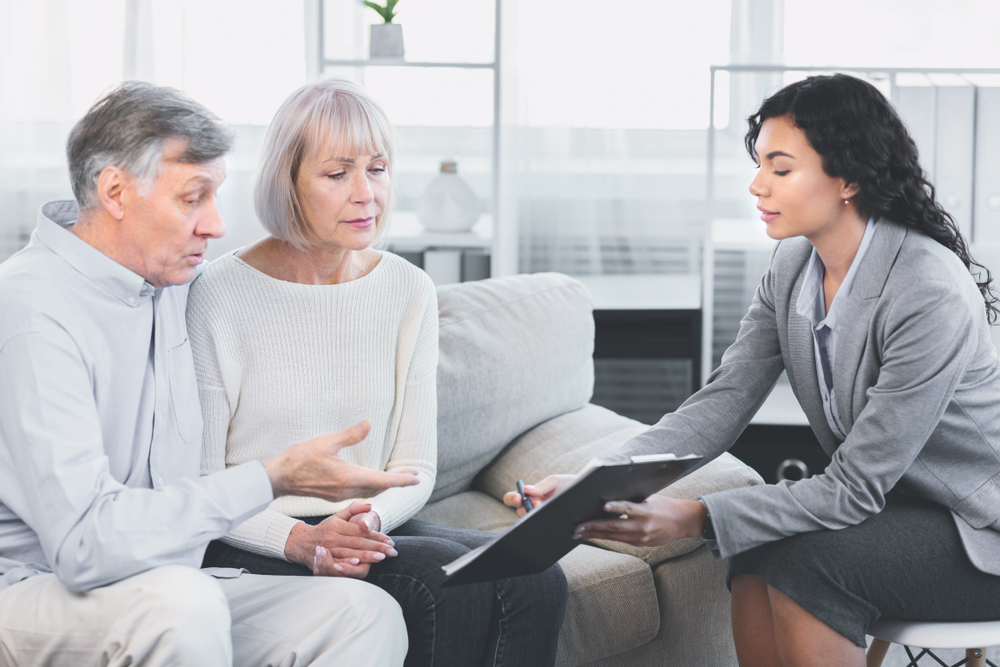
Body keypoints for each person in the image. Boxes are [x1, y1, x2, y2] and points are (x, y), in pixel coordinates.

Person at [507, 73, 1000, 667]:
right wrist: (599, 484)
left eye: (780, 168)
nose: (756, 184)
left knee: (804, 564)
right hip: (897, 512)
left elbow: (854, 487)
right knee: (756, 550)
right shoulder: (794, 264)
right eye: (759, 163)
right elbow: (724, 399)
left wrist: (691, 517)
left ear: (849, 179)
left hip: (979, 531)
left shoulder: (927, 290)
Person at [0, 81, 418, 667]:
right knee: (181, 605)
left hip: (166, 580)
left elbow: (284, 282)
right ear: (115, 192)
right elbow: (83, 547)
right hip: (35, 589)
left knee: (361, 614)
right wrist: (273, 477)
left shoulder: (167, 280)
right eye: (192, 198)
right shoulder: (31, 308)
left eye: (216, 196)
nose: (217, 225)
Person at [189, 77, 568, 667]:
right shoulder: (216, 294)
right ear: (287, 182)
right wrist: (302, 540)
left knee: (535, 575)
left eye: (378, 169)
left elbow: (414, 467)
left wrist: (360, 522)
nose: (366, 194)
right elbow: (202, 479)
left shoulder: (407, 288)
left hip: (365, 523)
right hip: (252, 532)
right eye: (337, 174)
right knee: (441, 587)